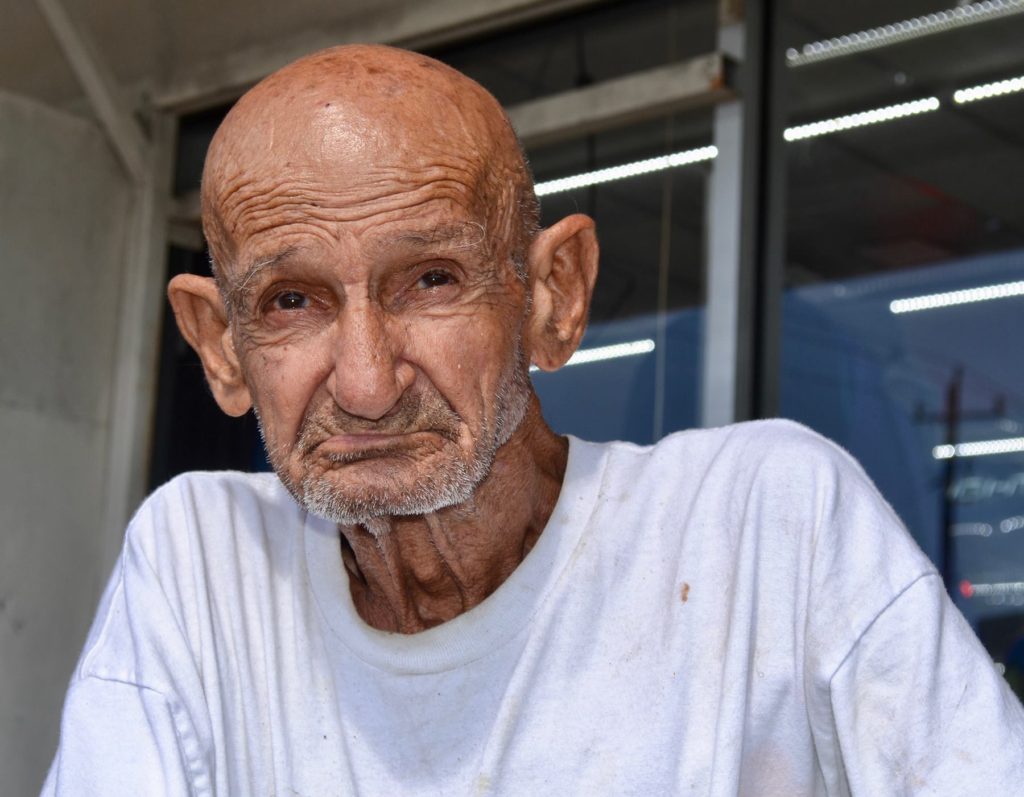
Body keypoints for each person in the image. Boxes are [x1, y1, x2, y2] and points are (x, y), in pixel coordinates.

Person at [44, 45, 1024, 795]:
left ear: (552, 294)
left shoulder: (768, 522)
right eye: (290, 302)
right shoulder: (201, 562)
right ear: (220, 347)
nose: (367, 380)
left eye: (430, 279)